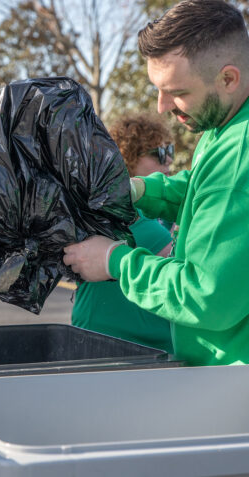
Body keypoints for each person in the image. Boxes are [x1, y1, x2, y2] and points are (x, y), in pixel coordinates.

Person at [63, 0, 249, 383]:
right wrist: (136, 190)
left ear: (228, 78)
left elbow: (207, 297)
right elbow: (210, 186)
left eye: (177, 92)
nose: (162, 106)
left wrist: (114, 261)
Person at [71, 114, 176, 352]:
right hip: (104, 344)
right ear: (127, 157)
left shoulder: (166, 209)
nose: (169, 158)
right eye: (158, 153)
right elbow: (182, 264)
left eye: (169, 149)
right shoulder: (110, 210)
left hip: (157, 349)